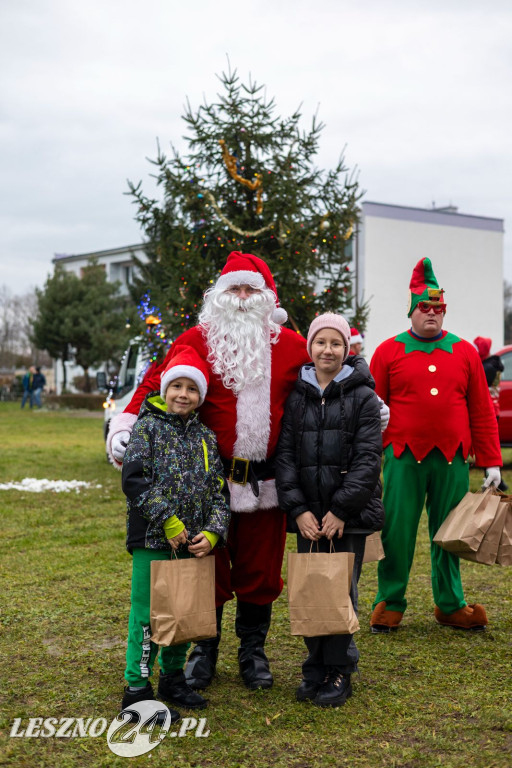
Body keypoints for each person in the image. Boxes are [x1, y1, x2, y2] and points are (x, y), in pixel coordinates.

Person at [109, 252, 311, 691]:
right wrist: (124, 425)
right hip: (208, 484)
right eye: (234, 288)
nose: (242, 297)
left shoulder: (292, 346)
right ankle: (205, 649)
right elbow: (155, 381)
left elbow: (330, 374)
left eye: (251, 288)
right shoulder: (196, 339)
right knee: (207, 566)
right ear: (219, 294)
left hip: (265, 483)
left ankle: (253, 651)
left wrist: (368, 403)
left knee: (261, 572)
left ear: (267, 296)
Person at [369, 257, 502, 633]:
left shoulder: (465, 352)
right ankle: (390, 601)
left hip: (452, 458)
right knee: (397, 530)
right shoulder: (388, 351)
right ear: (411, 310)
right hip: (401, 456)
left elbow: (481, 410)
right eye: (424, 307)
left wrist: (492, 462)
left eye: (438, 307)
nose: (432, 312)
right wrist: (367, 458)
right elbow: (371, 409)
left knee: (450, 531)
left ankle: (450, 603)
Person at [276, 313, 384, 707]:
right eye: (320, 342)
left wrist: (340, 509)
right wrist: (298, 509)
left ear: (346, 348)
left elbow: (368, 459)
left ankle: (340, 668)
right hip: (309, 515)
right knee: (311, 586)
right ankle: (315, 665)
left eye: (336, 343)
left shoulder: (363, 397)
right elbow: (285, 456)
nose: (328, 350)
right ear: (310, 348)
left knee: (340, 590)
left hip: (347, 516)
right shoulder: (297, 396)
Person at [120, 347, 231, 715]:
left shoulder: (206, 437)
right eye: (177, 386)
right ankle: (137, 687)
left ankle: (172, 677)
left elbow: (220, 492)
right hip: (154, 540)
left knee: (183, 613)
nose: (183, 394)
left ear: (201, 395)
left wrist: (213, 533)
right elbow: (135, 479)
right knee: (147, 614)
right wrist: (167, 519)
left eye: (192, 388)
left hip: (192, 544)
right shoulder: (146, 427)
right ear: (165, 389)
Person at [473, 336, 507, 491]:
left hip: (489, 409)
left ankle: (496, 480)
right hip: (494, 407)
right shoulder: (492, 364)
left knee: (487, 444)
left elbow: (476, 385)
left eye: (477, 347)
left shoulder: (488, 367)